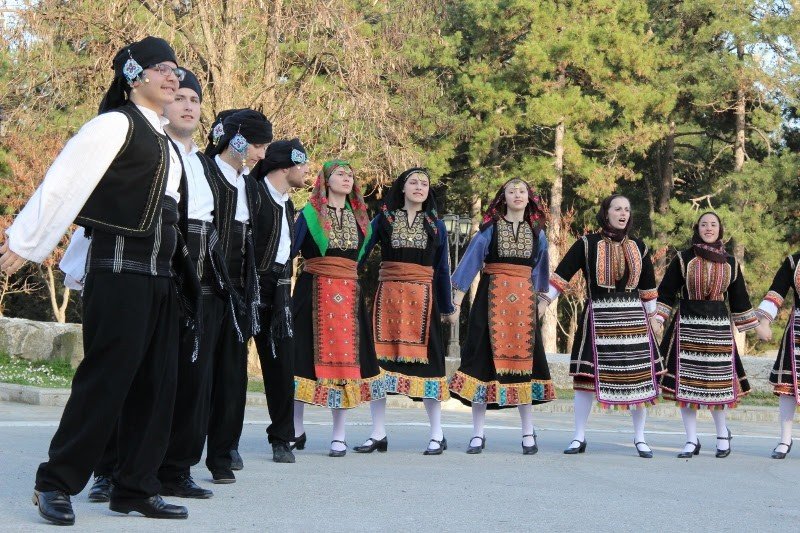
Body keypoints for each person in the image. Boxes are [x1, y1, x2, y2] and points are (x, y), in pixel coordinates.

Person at [0, 36, 197, 524]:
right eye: (161, 68)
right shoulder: (115, 124)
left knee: (156, 386)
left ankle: (135, 487)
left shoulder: (164, 139)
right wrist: (25, 242)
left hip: (160, 277)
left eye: (175, 70)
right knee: (105, 381)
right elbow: (64, 183)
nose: (171, 77)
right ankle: (55, 483)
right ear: (134, 76)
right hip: (119, 272)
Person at [538, 194, 662, 458]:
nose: (623, 213)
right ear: (606, 213)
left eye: (627, 209)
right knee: (586, 380)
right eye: (617, 209)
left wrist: (654, 317)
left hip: (633, 324)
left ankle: (640, 438)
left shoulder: (639, 247)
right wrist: (544, 302)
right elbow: (561, 276)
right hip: (598, 320)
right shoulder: (587, 244)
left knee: (638, 380)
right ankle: (578, 436)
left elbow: (649, 288)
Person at [353, 168, 456, 455]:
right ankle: (378, 433)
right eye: (413, 182)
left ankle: (437, 434)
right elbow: (361, 252)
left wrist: (448, 307)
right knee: (379, 367)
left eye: (424, 183)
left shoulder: (436, 225)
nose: (419, 187)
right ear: (402, 187)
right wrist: (346, 276)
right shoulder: (384, 219)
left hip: (424, 303)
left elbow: (442, 269)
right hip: (387, 301)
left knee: (431, 367)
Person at [449, 178, 555, 455]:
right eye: (511, 191)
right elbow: (470, 262)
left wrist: (542, 302)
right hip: (489, 304)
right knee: (480, 364)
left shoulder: (538, 233)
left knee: (525, 367)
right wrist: (456, 301)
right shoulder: (489, 230)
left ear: (529, 197)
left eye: (522, 191)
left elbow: (541, 270)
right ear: (503, 197)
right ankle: (477, 433)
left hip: (523, 309)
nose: (517, 195)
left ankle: (528, 432)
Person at [291, 160, 385, 457]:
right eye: (340, 174)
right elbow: (289, 250)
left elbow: (361, 258)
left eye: (350, 175)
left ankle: (339, 434)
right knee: (300, 358)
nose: (347, 179)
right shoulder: (309, 214)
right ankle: (295, 429)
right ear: (326, 180)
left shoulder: (361, 219)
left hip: (348, 295)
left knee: (346, 363)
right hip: (312, 291)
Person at [203, 108, 273, 482]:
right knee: (195, 376)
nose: (262, 154)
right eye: (260, 145)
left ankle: (222, 454)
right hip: (201, 289)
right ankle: (175, 461)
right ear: (240, 140)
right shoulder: (203, 171)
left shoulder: (251, 186)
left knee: (231, 378)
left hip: (239, 295)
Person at [654, 212, 758, 458]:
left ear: (720, 229)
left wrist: (756, 327)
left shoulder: (731, 263)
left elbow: (740, 299)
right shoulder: (683, 259)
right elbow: (666, 292)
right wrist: (658, 319)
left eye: (713, 224)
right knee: (686, 385)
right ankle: (691, 440)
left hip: (718, 328)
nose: (708, 228)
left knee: (718, 385)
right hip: (688, 325)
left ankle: (722, 435)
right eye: (704, 224)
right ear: (697, 229)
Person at [251, 138, 310, 461]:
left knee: (282, 366)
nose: (307, 170)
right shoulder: (254, 195)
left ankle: (281, 437)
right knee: (228, 368)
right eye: (302, 164)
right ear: (285, 166)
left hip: (280, 290)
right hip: (249, 288)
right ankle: (223, 446)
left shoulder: (287, 203)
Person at [755, 251, 800, 459]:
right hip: (798, 330)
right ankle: (785, 439)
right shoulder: (794, 261)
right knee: (787, 387)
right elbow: (776, 292)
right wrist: (764, 322)